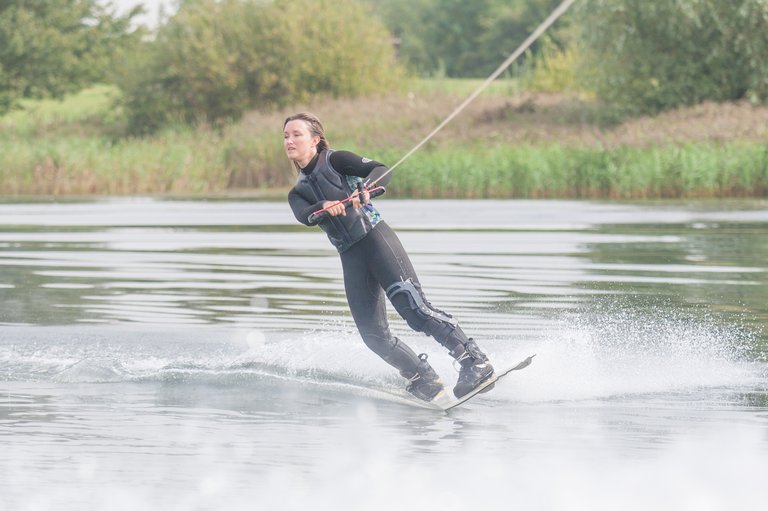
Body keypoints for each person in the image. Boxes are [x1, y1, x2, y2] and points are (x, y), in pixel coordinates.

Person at [284, 112, 494, 401]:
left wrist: (366, 189)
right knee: (373, 336)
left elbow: (381, 170)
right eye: (286, 136)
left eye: (296, 134)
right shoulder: (297, 192)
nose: (289, 140)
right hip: (351, 256)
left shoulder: (337, 160)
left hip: (376, 239)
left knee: (415, 310)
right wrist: (324, 205)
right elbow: (305, 215)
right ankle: (424, 378)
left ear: (315, 140)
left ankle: (475, 360)